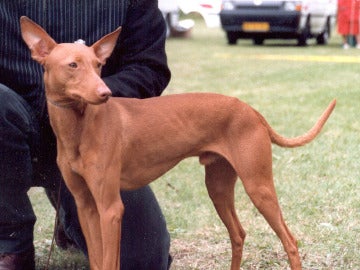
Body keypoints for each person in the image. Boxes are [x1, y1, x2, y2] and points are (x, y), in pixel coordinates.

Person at [0, 1, 172, 270]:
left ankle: (70, 211)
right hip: (11, 131)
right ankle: (10, 244)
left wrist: (91, 92)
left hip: (94, 135)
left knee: (141, 262)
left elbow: (150, 67)